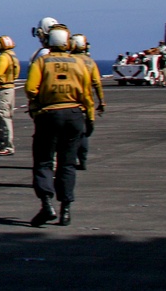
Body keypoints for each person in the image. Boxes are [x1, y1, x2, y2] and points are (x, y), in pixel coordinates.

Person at [25, 25, 95, 227]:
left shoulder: (42, 62)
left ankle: (46, 204)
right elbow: (87, 95)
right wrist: (90, 119)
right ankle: (66, 210)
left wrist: (39, 103)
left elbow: (30, 89)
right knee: (67, 164)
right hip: (74, 116)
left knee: (44, 161)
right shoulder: (79, 63)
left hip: (49, 115)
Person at [70, 34, 106, 170]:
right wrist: (101, 101)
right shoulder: (90, 62)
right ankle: (83, 160)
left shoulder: (70, 60)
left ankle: (69, 161)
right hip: (87, 103)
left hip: (72, 102)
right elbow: (97, 83)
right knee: (84, 133)